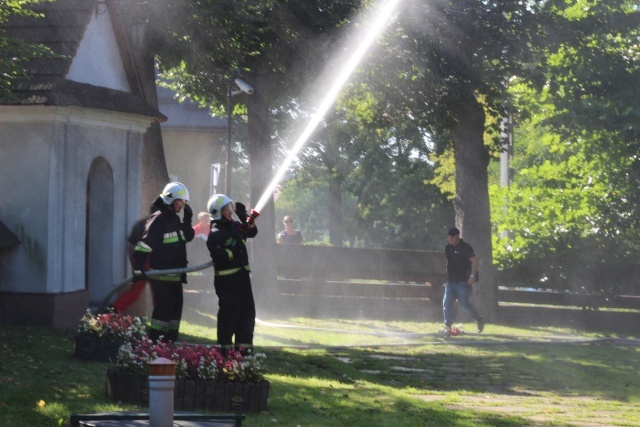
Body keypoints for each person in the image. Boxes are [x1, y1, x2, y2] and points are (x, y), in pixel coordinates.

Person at [132, 182, 194, 342]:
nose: (183, 204)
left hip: (175, 278)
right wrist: (138, 267)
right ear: (171, 199)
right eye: (181, 201)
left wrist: (187, 220)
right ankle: (155, 347)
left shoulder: (173, 219)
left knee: (174, 319)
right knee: (162, 317)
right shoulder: (158, 219)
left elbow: (187, 237)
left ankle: (169, 350)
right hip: (162, 278)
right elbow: (144, 244)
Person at [206, 194, 258, 355]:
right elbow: (220, 257)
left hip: (243, 281)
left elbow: (252, 232)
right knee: (229, 318)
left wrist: (245, 219)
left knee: (247, 317)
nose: (230, 211)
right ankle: (225, 356)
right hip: (228, 284)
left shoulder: (235, 226)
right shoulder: (215, 233)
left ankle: (244, 356)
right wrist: (235, 247)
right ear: (218, 212)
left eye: (230, 208)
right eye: (226, 209)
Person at [111, 205, 158, 313]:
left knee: (157, 291)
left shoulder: (149, 225)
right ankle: (111, 312)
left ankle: (159, 317)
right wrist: (138, 267)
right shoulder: (142, 226)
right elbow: (134, 246)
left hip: (151, 264)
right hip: (142, 263)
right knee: (136, 290)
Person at [442, 227, 485, 335]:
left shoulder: (466, 247)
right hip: (451, 282)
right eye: (449, 237)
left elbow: (474, 262)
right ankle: (447, 326)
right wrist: (447, 275)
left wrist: (472, 276)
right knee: (447, 302)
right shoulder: (447, 248)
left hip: (463, 282)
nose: (450, 239)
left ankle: (478, 318)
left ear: (457, 236)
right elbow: (447, 262)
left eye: (452, 237)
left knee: (464, 303)